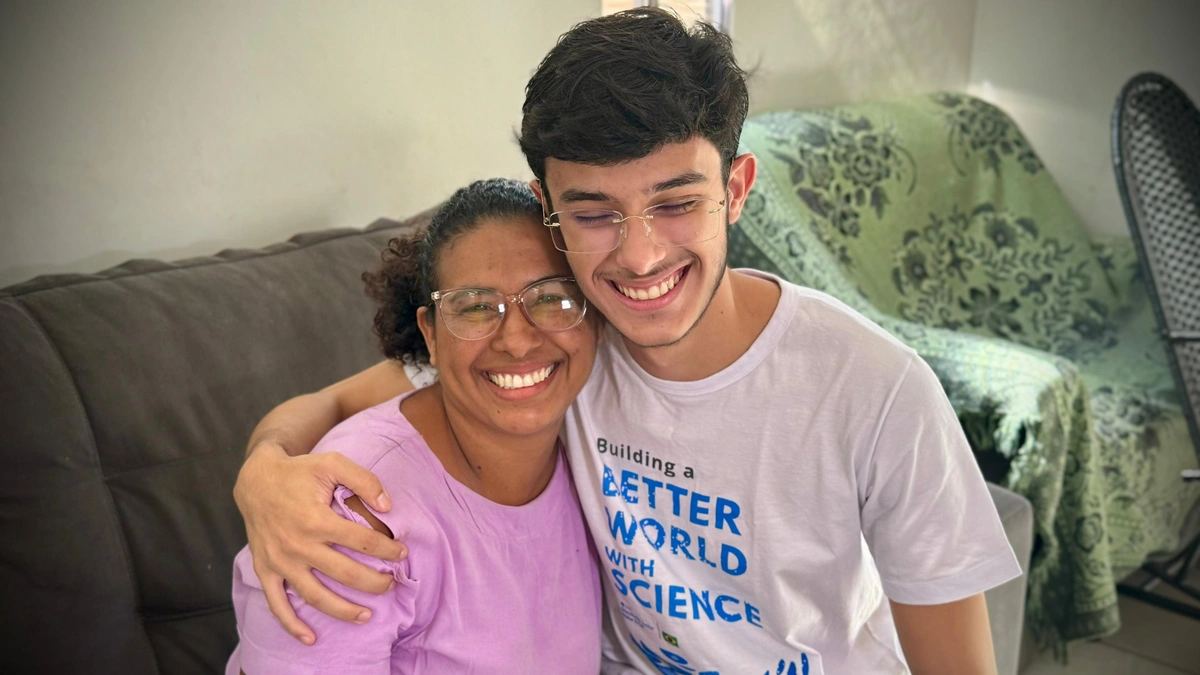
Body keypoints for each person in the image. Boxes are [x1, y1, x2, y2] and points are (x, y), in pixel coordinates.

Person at [233, 9, 1021, 674]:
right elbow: (340, 402)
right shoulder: (561, 342)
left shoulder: (877, 391)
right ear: (549, 209)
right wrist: (265, 474)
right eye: (595, 212)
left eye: (676, 201)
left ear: (736, 189)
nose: (639, 257)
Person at [227, 179, 603, 674]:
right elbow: (332, 403)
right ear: (431, 333)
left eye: (551, 297)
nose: (516, 340)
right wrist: (264, 465)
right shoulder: (348, 524)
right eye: (475, 306)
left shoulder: (595, 433)